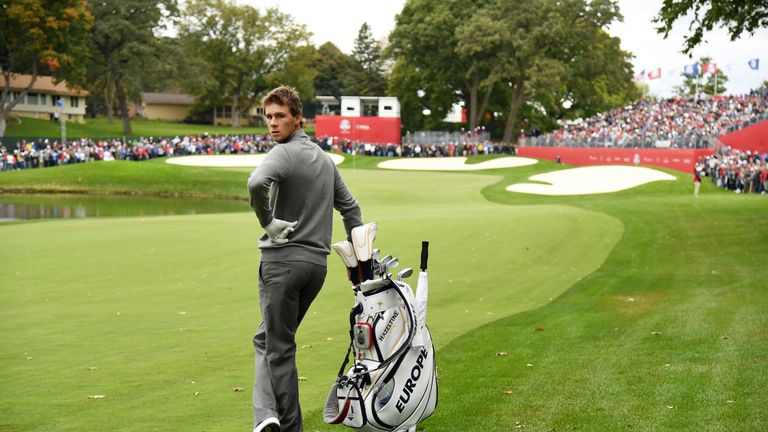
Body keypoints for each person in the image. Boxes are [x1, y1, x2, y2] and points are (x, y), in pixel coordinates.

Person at [247, 86, 363, 432]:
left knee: (279, 348)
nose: (272, 123)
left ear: (298, 118)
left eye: (280, 116)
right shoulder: (325, 160)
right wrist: (358, 264)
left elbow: (256, 184)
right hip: (316, 267)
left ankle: (285, 426)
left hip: (282, 264)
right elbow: (352, 210)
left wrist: (267, 221)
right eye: (268, 116)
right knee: (267, 340)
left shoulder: (283, 153)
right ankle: (266, 414)